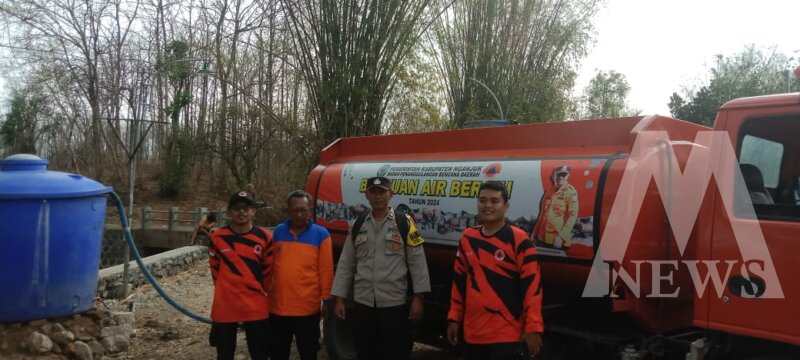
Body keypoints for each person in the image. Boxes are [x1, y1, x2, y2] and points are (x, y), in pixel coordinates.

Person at [330, 176, 431, 360]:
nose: (378, 197)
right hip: (363, 303)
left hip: (393, 304)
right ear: (367, 195)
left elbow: (418, 262)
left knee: (394, 352)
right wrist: (339, 299)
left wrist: (419, 297)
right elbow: (346, 263)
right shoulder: (358, 224)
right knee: (365, 352)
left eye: (382, 192)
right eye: (373, 192)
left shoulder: (405, 223)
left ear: (391, 194)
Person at [447, 181, 543, 360]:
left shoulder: (520, 240)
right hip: (472, 334)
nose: (487, 206)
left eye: (494, 201)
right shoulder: (467, 237)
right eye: (483, 200)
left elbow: (532, 288)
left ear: (505, 206)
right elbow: (458, 282)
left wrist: (533, 328)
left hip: (506, 336)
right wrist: (454, 318)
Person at [269, 190, 334, 360]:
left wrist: (326, 300)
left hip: (307, 309)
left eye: (303, 210)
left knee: (308, 352)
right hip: (278, 307)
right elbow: (270, 267)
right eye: (295, 210)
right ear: (288, 211)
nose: (299, 214)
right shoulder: (277, 232)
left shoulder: (322, 235)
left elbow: (326, 270)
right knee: (278, 352)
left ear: (310, 210)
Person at [208, 191, 272, 360]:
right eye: (236, 208)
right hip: (225, 303)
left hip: (255, 304)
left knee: (260, 353)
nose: (242, 212)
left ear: (254, 211)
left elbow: (268, 271)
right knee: (224, 353)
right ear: (229, 212)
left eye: (247, 208)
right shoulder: (217, 237)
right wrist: (225, 288)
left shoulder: (266, 237)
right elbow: (214, 268)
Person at [532, 165, 578, 250]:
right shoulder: (549, 191)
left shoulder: (571, 192)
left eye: (564, 175)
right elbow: (542, 214)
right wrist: (534, 233)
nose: (561, 177)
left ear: (568, 176)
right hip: (541, 237)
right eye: (559, 174)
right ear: (553, 176)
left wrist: (562, 236)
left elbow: (572, 216)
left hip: (557, 240)